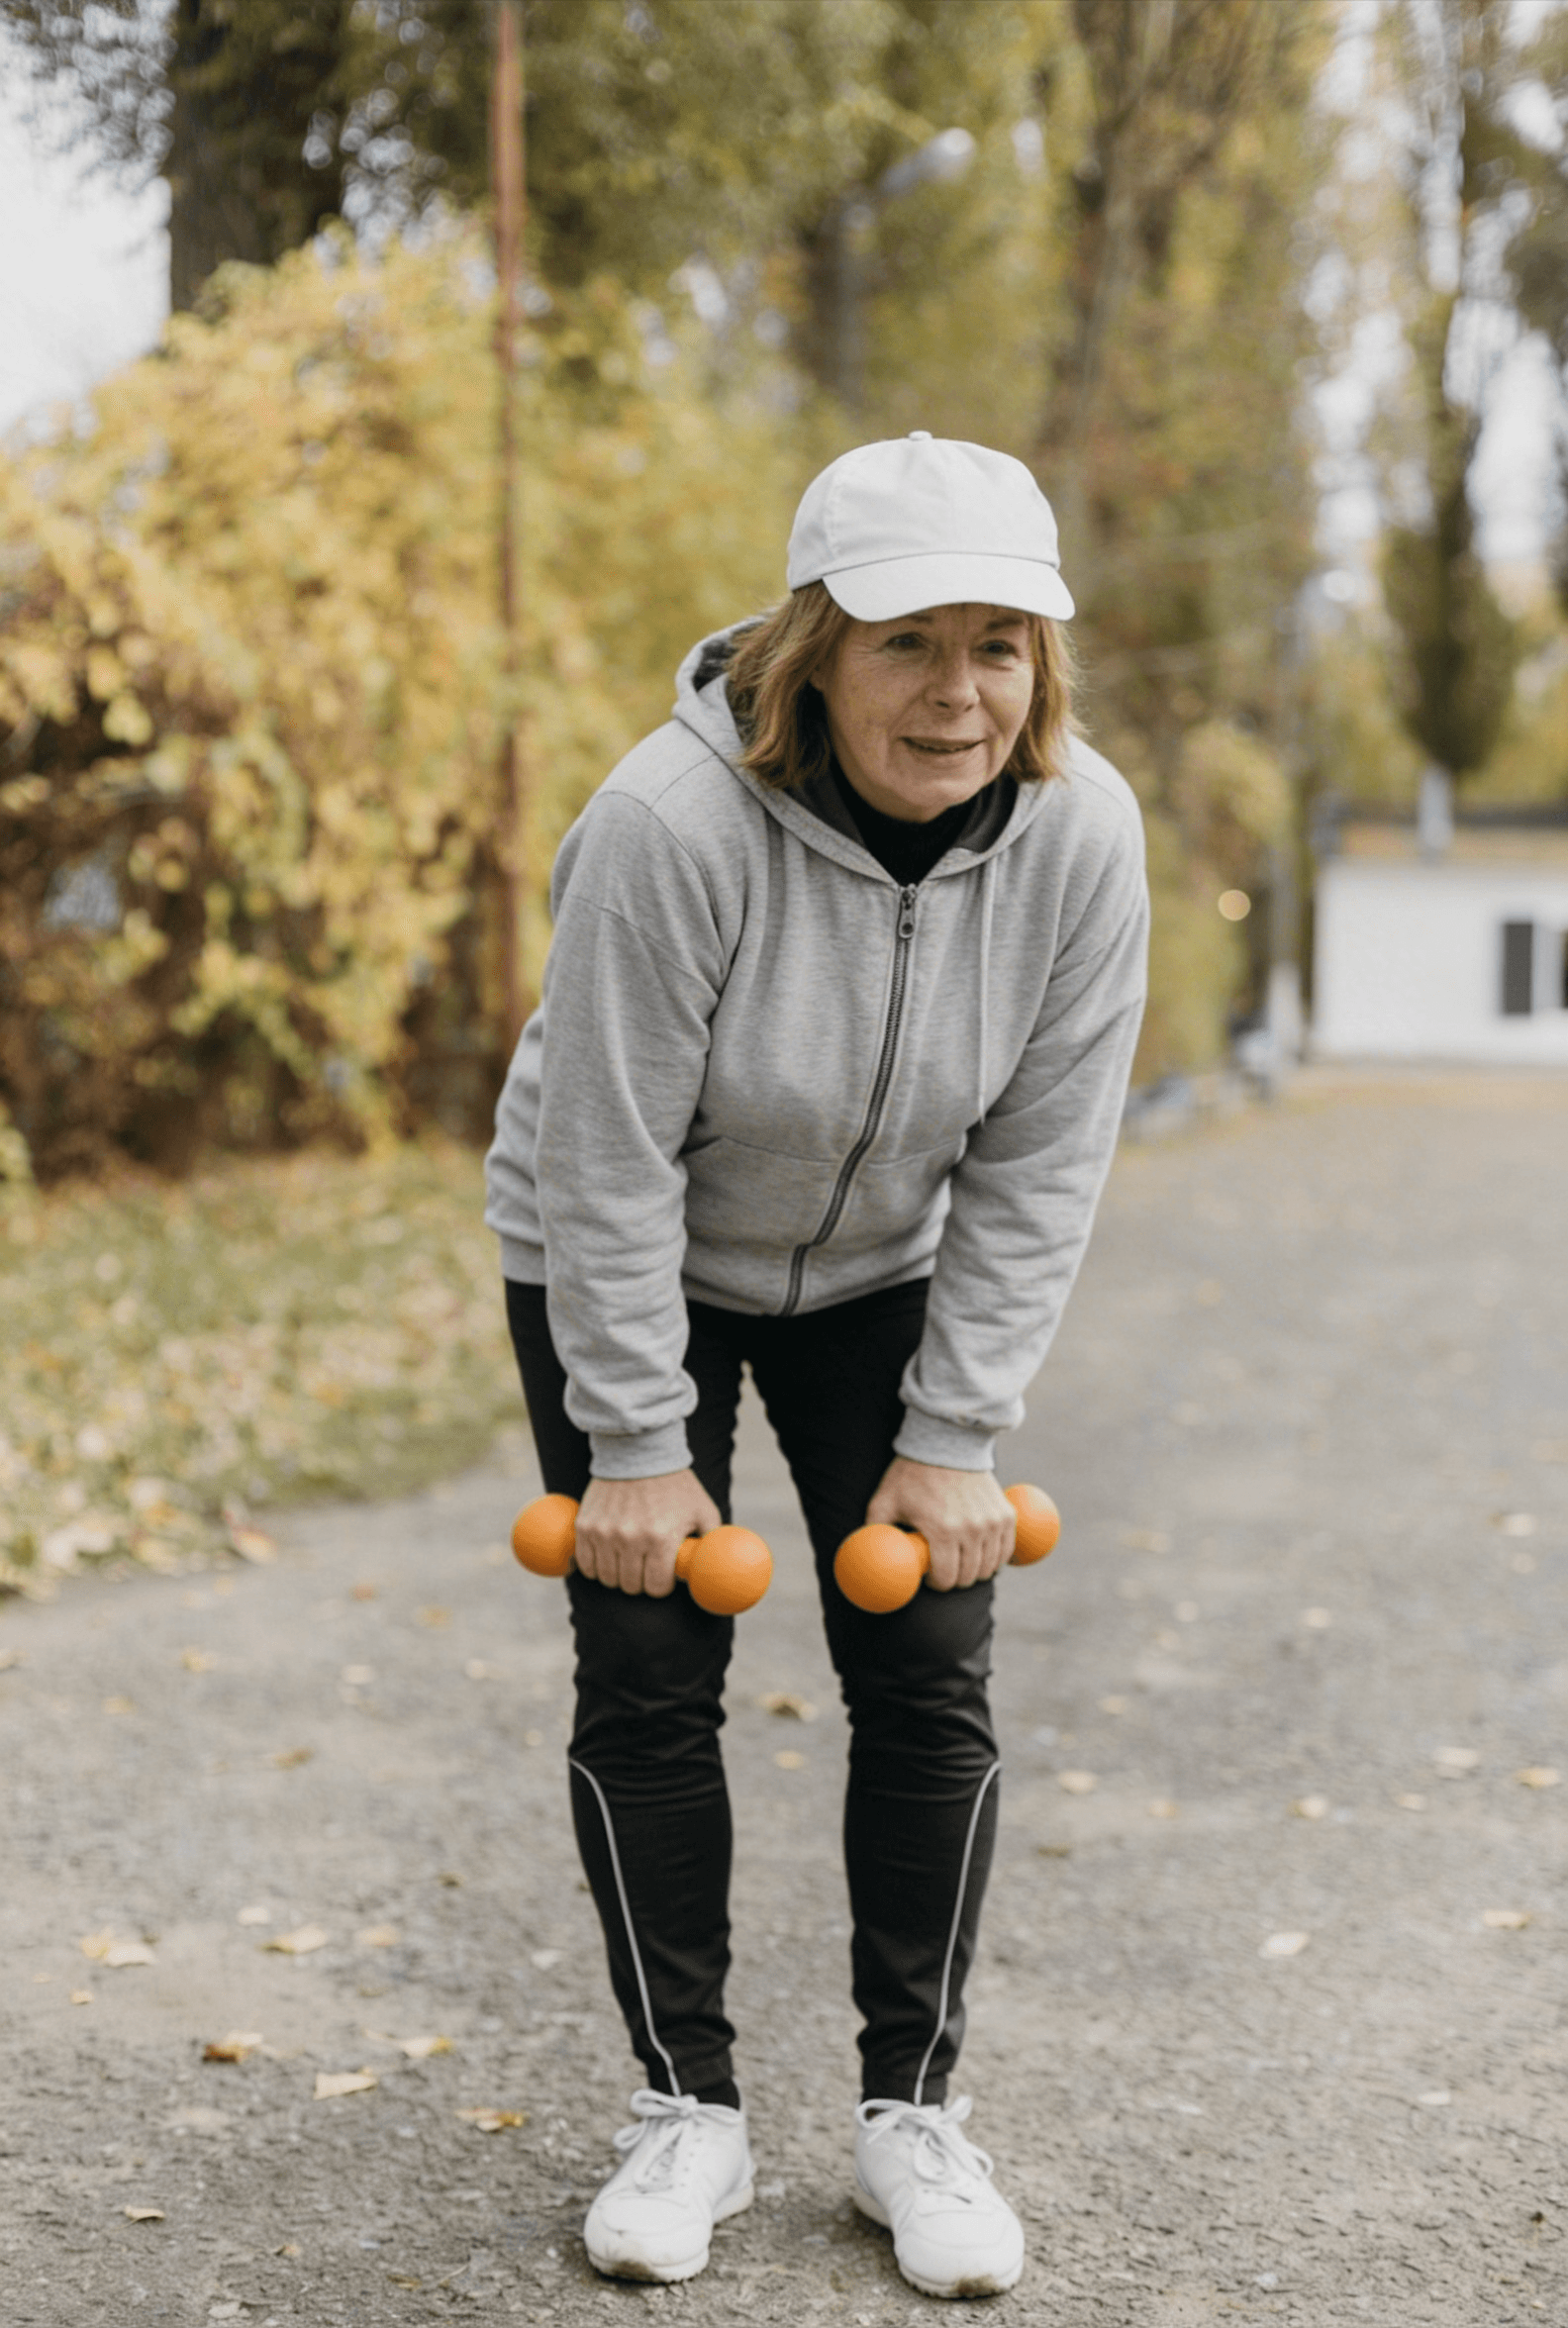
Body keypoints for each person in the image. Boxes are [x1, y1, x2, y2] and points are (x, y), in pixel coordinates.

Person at [485, 433, 1147, 2297]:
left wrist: (957, 1433)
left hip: (883, 1265)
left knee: (929, 1660)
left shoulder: (1084, 836)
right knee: (647, 1667)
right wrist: (635, 1442)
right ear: (813, 650)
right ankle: (682, 2110)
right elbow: (605, 1155)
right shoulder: (667, 827)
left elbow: (1043, 1157)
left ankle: (910, 2117)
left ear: (1041, 661)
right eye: (906, 643)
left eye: (998, 646)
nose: (957, 694)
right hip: (627, 1248)